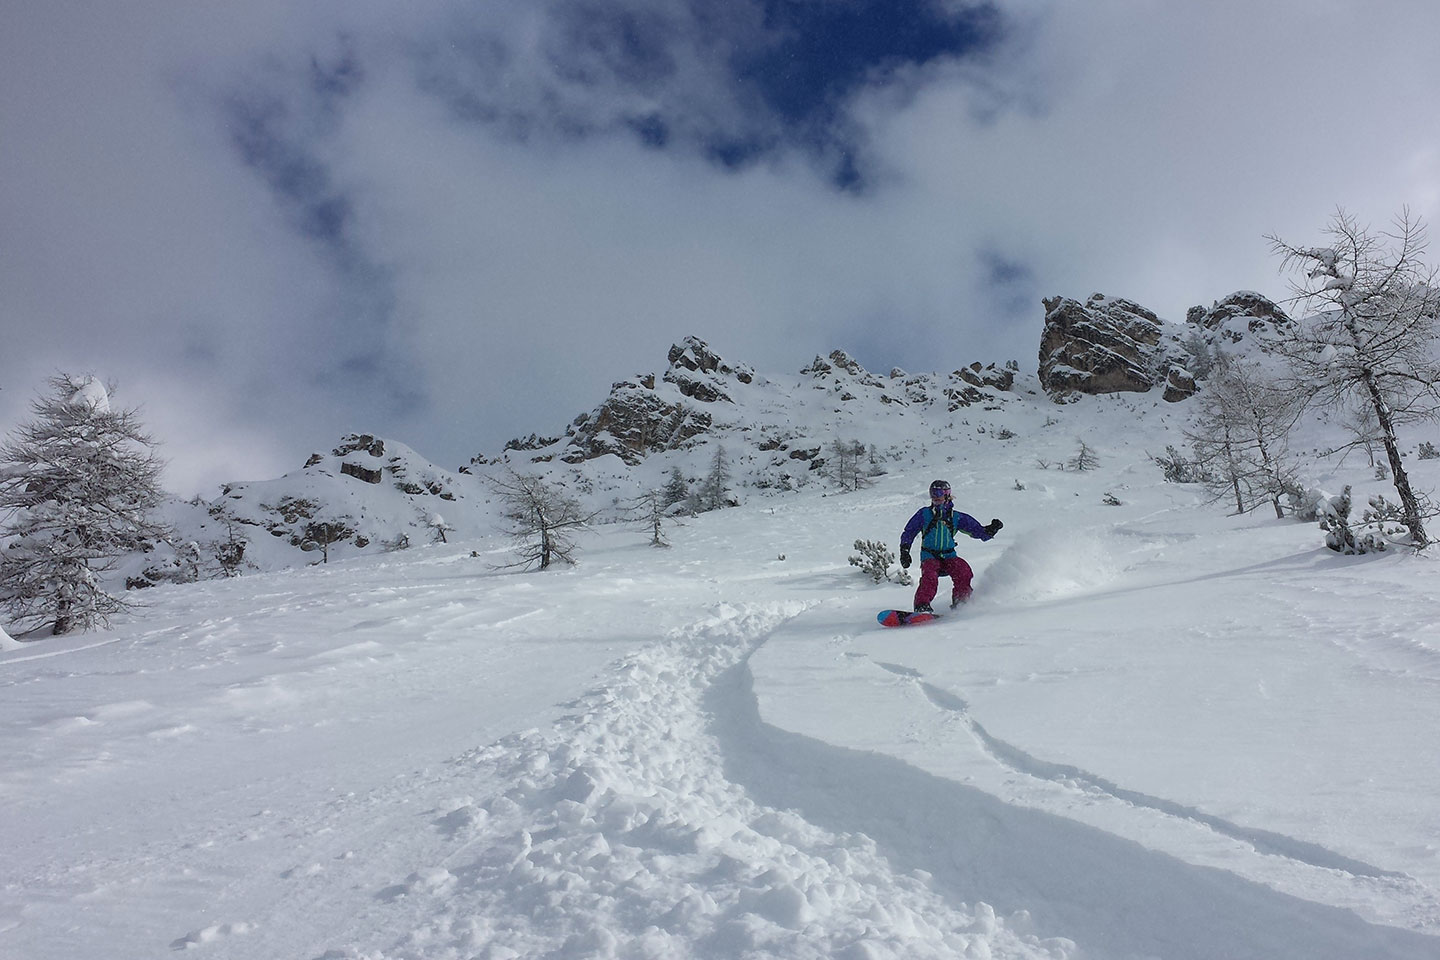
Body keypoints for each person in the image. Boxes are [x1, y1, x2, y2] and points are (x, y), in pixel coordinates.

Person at [899, 479, 1002, 612]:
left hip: (949, 555)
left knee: (963, 571)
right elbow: (909, 531)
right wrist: (905, 550)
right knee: (929, 577)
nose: (935, 497)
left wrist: (989, 531)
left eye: (939, 493)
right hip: (929, 555)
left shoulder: (955, 517)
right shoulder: (924, 514)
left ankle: (961, 602)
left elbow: (975, 530)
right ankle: (922, 605)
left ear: (947, 495)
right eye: (933, 493)